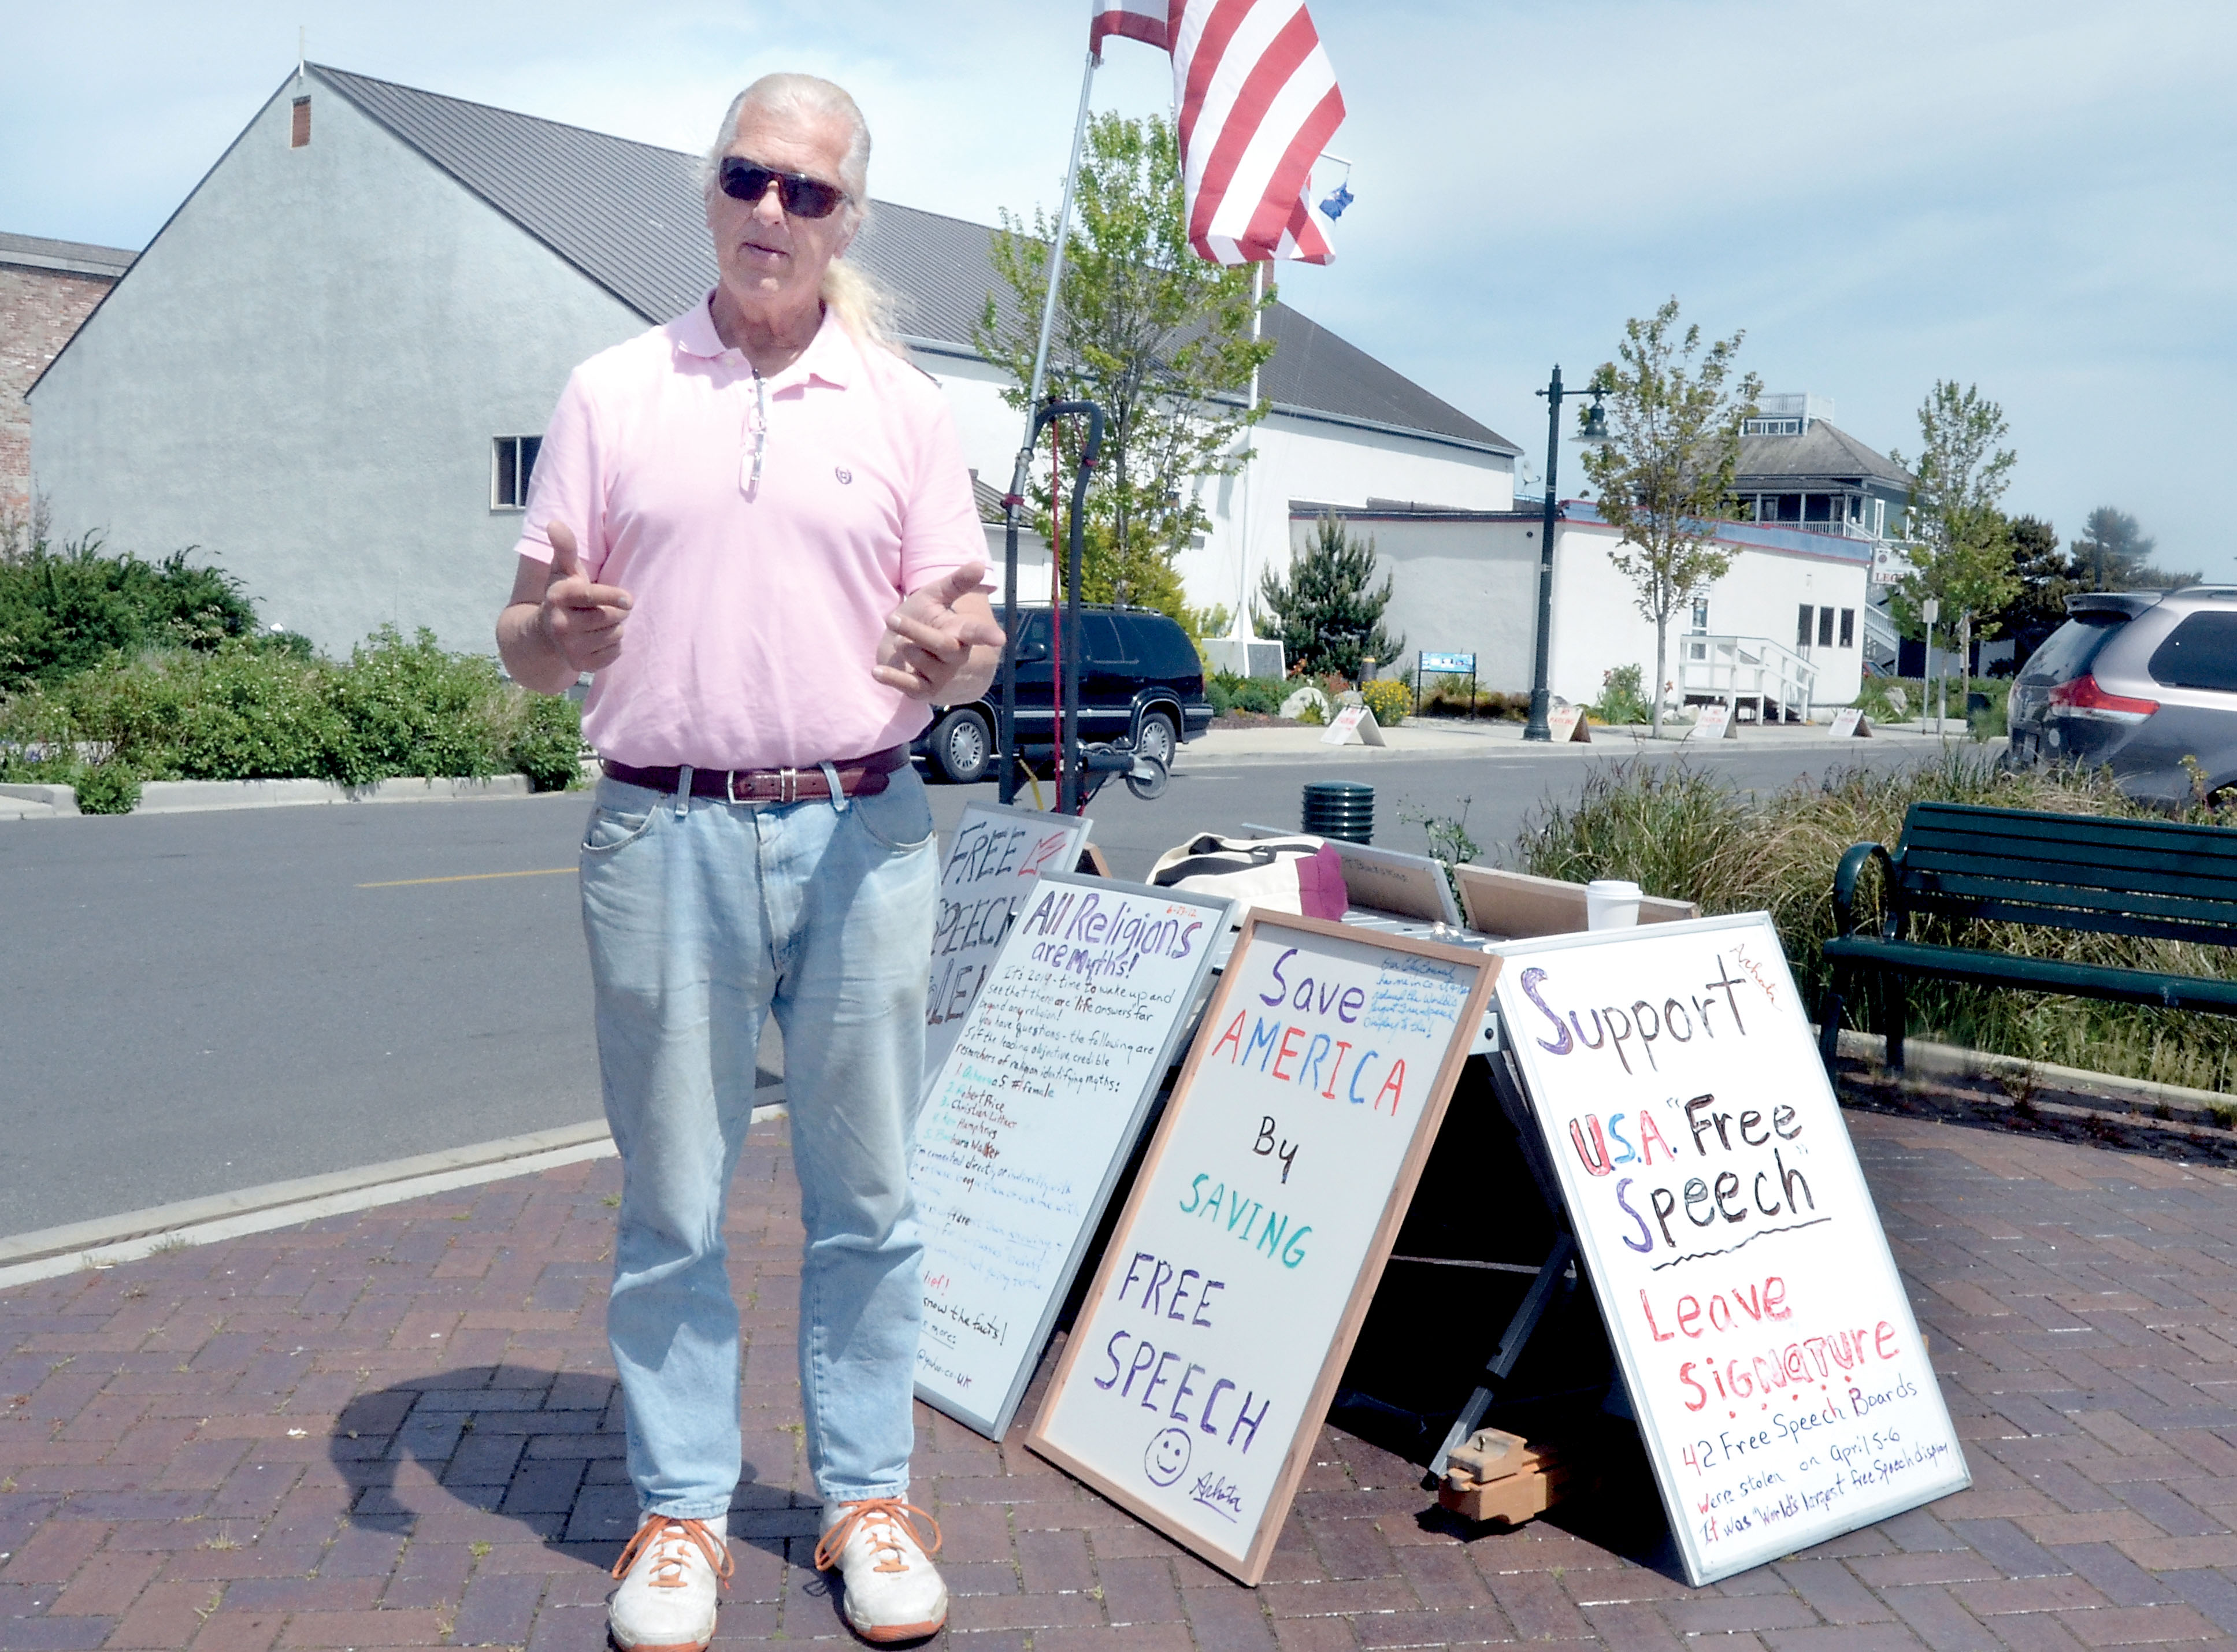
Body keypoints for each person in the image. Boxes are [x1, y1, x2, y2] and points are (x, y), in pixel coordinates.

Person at [495, 72, 1002, 1651]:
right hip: (664, 828)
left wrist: (957, 653)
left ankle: (863, 1498)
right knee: (674, 1200)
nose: (773, 212)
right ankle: (681, 1513)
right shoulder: (612, 391)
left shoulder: (908, 411)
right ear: (709, 194)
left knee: (871, 1194)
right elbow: (520, 641)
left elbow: (972, 640)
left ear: (850, 217)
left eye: (809, 191)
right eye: (749, 179)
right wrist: (550, 637)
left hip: (863, 825)